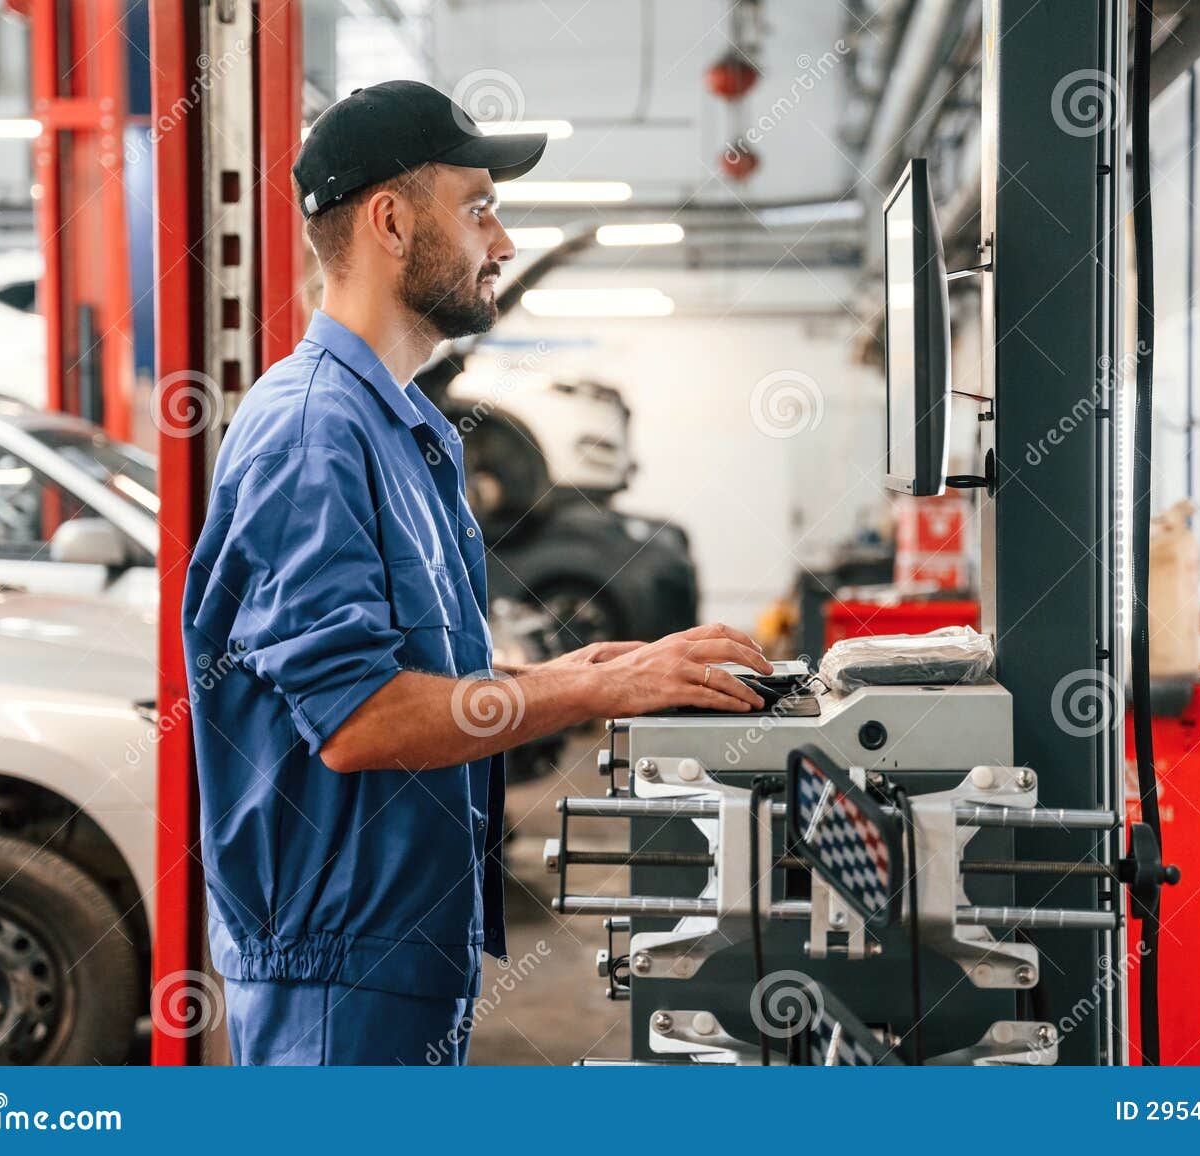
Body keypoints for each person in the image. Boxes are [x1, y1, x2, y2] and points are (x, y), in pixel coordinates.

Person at [181, 79, 773, 1066]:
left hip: (409, 949)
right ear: (390, 220)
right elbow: (362, 719)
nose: (500, 242)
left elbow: (436, 682)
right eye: (480, 207)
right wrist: (598, 684)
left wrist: (602, 664)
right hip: (338, 975)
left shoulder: (411, 434)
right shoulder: (308, 434)